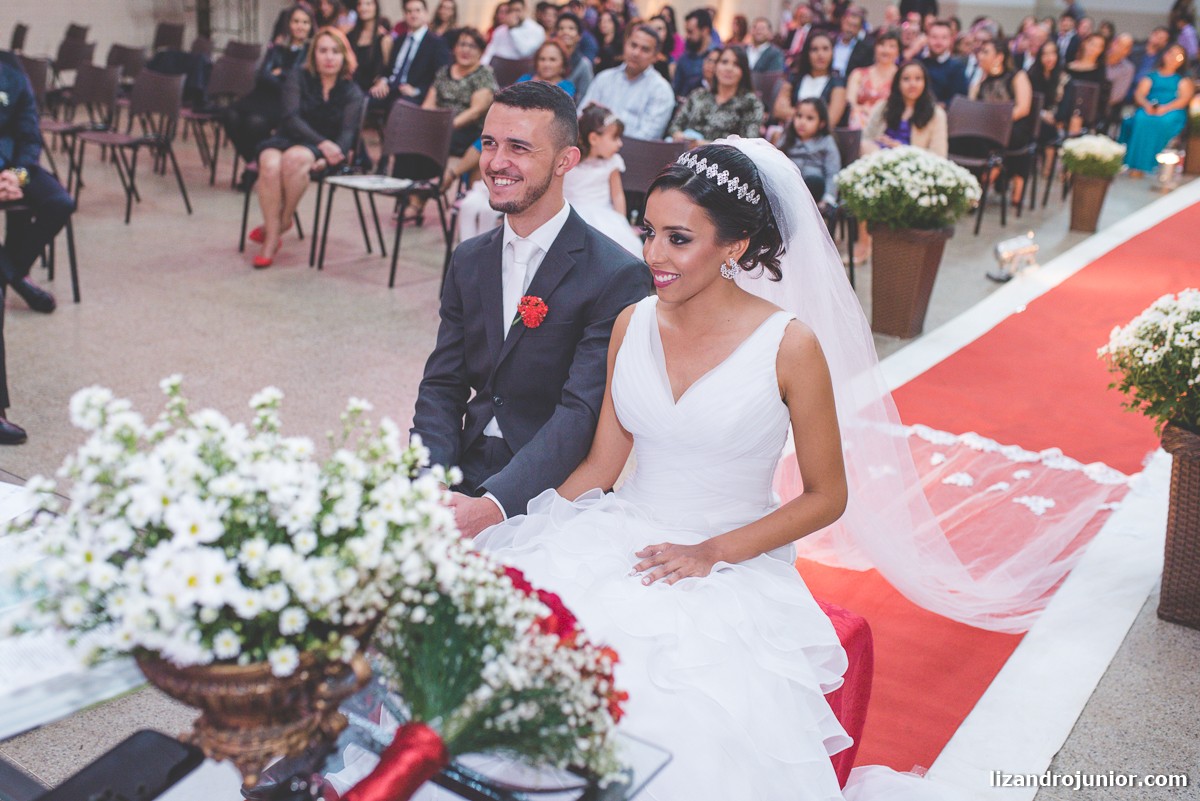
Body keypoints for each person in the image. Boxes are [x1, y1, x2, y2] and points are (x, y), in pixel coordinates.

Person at [466, 135, 965, 801]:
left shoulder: (789, 345)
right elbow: (602, 464)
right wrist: (521, 527)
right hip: (623, 530)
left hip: (729, 558)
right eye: (649, 232)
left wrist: (711, 552)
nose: (652, 255)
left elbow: (826, 496)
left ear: (733, 248)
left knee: (664, 711)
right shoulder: (631, 323)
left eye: (678, 239)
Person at [411, 81, 650, 538]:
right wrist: (430, 480)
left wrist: (494, 507)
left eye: (518, 147)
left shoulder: (614, 274)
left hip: (551, 489)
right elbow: (442, 385)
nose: (496, 163)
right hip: (463, 463)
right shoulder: (469, 259)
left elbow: (579, 414)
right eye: (488, 144)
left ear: (566, 161)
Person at [250, 27, 366, 268]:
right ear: (313, 55)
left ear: (344, 56)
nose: (329, 57)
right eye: (323, 51)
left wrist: (329, 156)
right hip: (290, 136)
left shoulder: (351, 91)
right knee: (269, 164)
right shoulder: (297, 77)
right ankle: (280, 225)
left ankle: (275, 232)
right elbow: (290, 118)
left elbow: (347, 134)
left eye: (335, 51)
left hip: (319, 147)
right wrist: (323, 144)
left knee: (294, 160)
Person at [0, 56, 70, 317]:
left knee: (59, 202)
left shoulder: (11, 73)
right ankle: (20, 282)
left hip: (16, 168)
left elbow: (30, 135)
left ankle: (12, 272)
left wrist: (16, 176)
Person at [224, 4, 314, 169]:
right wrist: (279, 76)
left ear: (311, 26)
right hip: (262, 94)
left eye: (305, 22)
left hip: (285, 100)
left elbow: (298, 81)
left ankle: (255, 167)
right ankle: (255, 161)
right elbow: (262, 75)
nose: (300, 26)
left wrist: (279, 73)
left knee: (255, 123)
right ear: (289, 23)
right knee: (230, 115)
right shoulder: (277, 46)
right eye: (296, 21)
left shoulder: (312, 51)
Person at [564, 105, 643, 255]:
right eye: (615, 138)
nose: (620, 143)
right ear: (594, 138)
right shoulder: (569, 161)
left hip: (604, 217)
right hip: (570, 214)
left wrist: (622, 223)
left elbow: (618, 195)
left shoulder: (612, 163)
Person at [579, 25, 677, 141]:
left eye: (644, 49)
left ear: (655, 57)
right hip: (591, 147)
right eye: (633, 45)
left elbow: (646, 138)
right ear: (625, 45)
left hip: (633, 154)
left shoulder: (660, 90)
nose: (636, 53)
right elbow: (580, 116)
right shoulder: (604, 78)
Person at [1120, 45, 1194, 176]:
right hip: (1149, 108)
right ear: (1165, 55)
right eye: (1171, 53)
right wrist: (1147, 105)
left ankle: (1150, 164)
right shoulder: (1151, 76)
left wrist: (1165, 108)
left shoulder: (1182, 80)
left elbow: (1184, 99)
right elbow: (1140, 94)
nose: (1173, 58)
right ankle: (1134, 164)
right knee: (1142, 119)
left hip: (1172, 111)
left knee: (1162, 122)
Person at [668, 47, 765, 143]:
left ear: (743, 71)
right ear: (716, 67)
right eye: (724, 62)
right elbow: (675, 125)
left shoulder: (751, 102)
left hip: (723, 156)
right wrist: (678, 135)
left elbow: (749, 143)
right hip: (684, 151)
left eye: (736, 64)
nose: (729, 68)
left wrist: (703, 145)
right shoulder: (698, 95)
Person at [369, 0, 449, 113]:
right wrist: (382, 81)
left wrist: (418, 91)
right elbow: (389, 69)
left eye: (417, 10)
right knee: (364, 99)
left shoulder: (436, 43)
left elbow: (442, 76)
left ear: (426, 13)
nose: (413, 14)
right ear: (405, 15)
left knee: (398, 106)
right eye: (409, 11)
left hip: (413, 95)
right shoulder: (399, 40)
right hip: (390, 89)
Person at [863, 58, 947, 156]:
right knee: (865, 146)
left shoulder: (936, 114)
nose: (912, 84)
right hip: (879, 155)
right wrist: (878, 139)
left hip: (911, 161)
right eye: (906, 79)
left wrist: (901, 148)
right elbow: (866, 137)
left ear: (925, 83)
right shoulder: (883, 107)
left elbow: (939, 154)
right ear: (898, 83)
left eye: (918, 79)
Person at [774, 31, 848, 130]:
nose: (820, 54)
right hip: (790, 132)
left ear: (832, 53)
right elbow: (778, 111)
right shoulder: (794, 78)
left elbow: (830, 120)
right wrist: (812, 118)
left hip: (820, 139)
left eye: (825, 49)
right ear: (807, 53)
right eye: (814, 49)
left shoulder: (838, 83)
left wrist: (796, 116)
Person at [778, 96, 841, 211]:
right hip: (787, 184)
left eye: (810, 118)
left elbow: (832, 172)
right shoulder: (787, 137)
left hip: (811, 188)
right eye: (799, 116)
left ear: (821, 123)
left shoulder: (826, 141)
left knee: (815, 182)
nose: (802, 122)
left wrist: (828, 198)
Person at [1025, 39, 1068, 171]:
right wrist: (1042, 114)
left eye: (1052, 54)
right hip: (1035, 115)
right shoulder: (1031, 75)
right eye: (1045, 54)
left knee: (1050, 127)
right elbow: (1029, 100)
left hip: (1055, 118)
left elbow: (1066, 105)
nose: (1049, 58)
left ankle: (1048, 164)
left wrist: (1054, 117)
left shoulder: (1063, 78)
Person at [846, 31, 899, 129]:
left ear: (898, 51)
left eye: (892, 46)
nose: (886, 50)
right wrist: (862, 109)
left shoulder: (901, 77)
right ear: (875, 48)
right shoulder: (858, 74)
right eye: (882, 45)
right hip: (860, 121)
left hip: (888, 122)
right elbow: (850, 102)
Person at [349, 0, 393, 94]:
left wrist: (382, 81)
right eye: (359, 4)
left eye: (368, 4)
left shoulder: (384, 39)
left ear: (376, 7)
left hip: (370, 91)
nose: (363, 8)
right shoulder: (350, 35)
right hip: (349, 88)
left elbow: (388, 70)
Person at [920, 19, 968, 103]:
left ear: (951, 40)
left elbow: (960, 99)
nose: (939, 42)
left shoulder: (957, 67)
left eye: (944, 37)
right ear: (927, 38)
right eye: (934, 37)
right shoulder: (919, 63)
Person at [673, 9, 716, 98]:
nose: (687, 36)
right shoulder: (684, 58)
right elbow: (676, 90)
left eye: (690, 32)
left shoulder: (718, 58)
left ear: (705, 31)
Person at [555, 12, 595, 100]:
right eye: (561, 28)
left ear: (579, 36)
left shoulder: (584, 65)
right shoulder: (547, 59)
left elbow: (585, 97)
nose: (565, 32)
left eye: (571, 28)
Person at [831, 6, 873, 77]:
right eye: (848, 24)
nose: (850, 29)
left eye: (855, 26)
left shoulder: (865, 49)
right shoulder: (831, 41)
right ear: (842, 22)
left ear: (859, 29)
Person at [1105, 33, 1135, 109]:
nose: (1116, 47)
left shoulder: (1128, 68)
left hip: (1105, 105)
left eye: (1122, 46)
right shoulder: (1098, 56)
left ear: (1128, 51)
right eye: (1116, 42)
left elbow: (1116, 96)